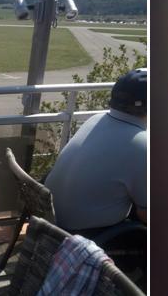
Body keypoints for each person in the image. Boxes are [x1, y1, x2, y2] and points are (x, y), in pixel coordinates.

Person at [44, 69, 147, 233]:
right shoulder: (142, 145)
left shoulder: (95, 119)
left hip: (51, 222)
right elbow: (145, 213)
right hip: (85, 235)